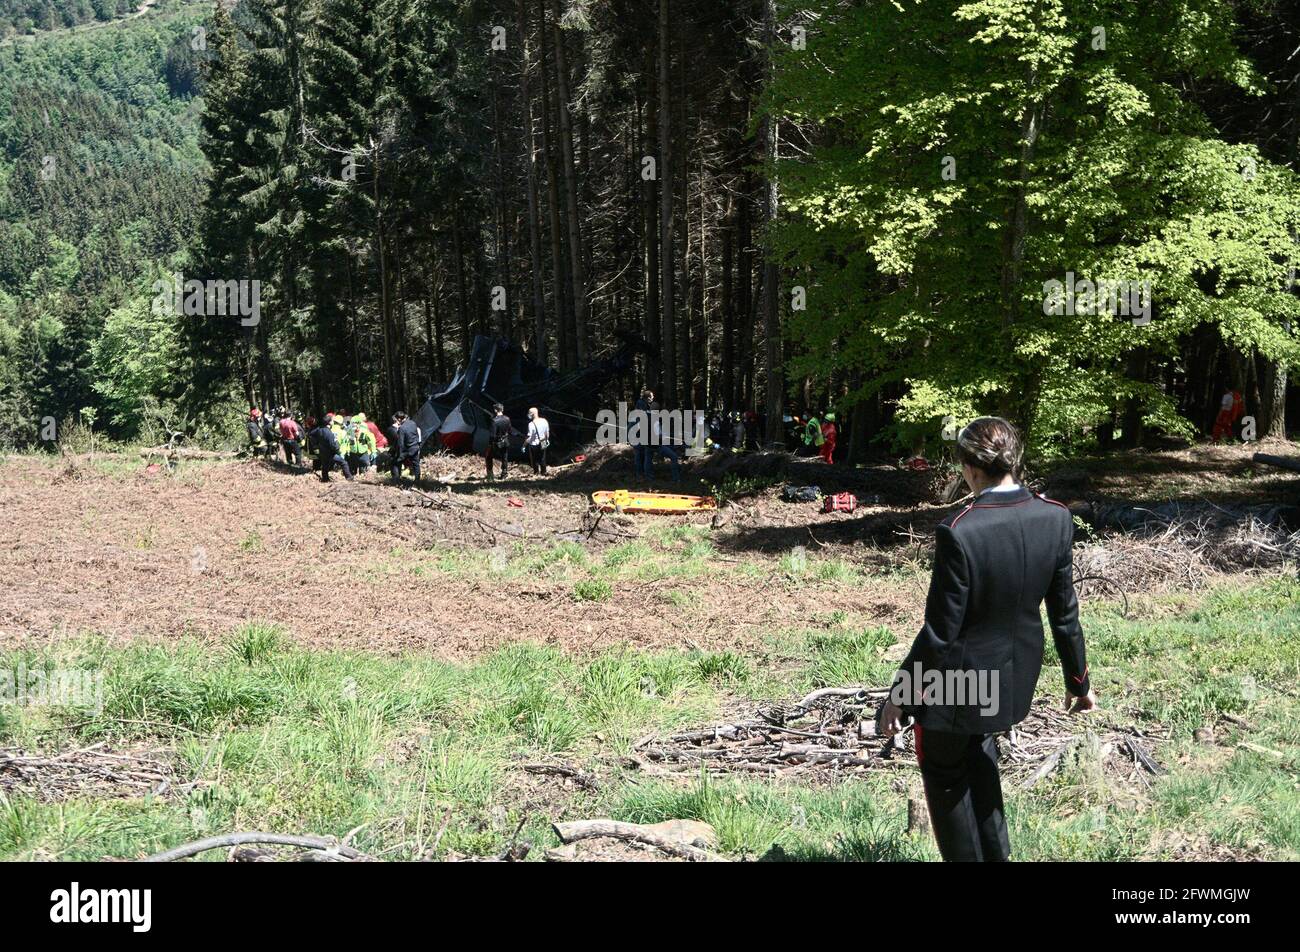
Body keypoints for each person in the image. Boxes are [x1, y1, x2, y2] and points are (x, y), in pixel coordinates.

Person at [878, 416, 1096, 862]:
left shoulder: (961, 530)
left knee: (945, 778)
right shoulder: (1055, 517)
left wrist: (898, 695)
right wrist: (1079, 681)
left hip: (957, 688)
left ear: (971, 469)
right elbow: (1065, 615)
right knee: (980, 759)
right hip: (1012, 683)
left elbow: (940, 634)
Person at [310, 414, 352, 482]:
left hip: (322, 451)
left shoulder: (319, 429)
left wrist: (316, 444)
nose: (333, 422)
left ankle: (325, 479)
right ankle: (349, 477)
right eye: (332, 421)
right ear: (329, 422)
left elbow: (311, 434)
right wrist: (338, 450)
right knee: (344, 463)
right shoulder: (328, 432)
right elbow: (333, 444)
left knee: (325, 466)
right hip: (330, 453)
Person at [391, 411, 422, 484]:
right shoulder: (413, 423)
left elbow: (400, 443)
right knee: (416, 464)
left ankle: (396, 480)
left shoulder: (402, 428)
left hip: (407, 449)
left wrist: (399, 454)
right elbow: (416, 435)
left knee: (396, 462)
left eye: (396, 420)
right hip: (415, 447)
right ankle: (418, 480)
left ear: (399, 419)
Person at [632, 390, 655, 480]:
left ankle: (640, 475)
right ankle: (645, 475)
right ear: (648, 397)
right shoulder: (642, 405)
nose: (653, 398)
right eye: (652, 396)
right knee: (643, 455)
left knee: (641, 455)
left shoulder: (642, 404)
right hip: (639, 435)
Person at [486, 404, 513, 480]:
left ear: (495, 410)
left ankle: (490, 475)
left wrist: (490, 444)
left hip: (497, 442)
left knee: (489, 457)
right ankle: (504, 474)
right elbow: (510, 431)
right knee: (505, 457)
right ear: (502, 409)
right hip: (505, 441)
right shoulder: (507, 419)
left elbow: (492, 435)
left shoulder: (494, 421)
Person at [525, 406, 549, 475]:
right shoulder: (544, 420)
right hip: (543, 441)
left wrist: (524, 445)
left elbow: (530, 437)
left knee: (535, 458)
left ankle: (536, 472)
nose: (528, 414)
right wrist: (547, 440)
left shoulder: (531, 424)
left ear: (533, 414)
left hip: (534, 443)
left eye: (529, 413)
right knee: (543, 457)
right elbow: (547, 433)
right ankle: (544, 472)